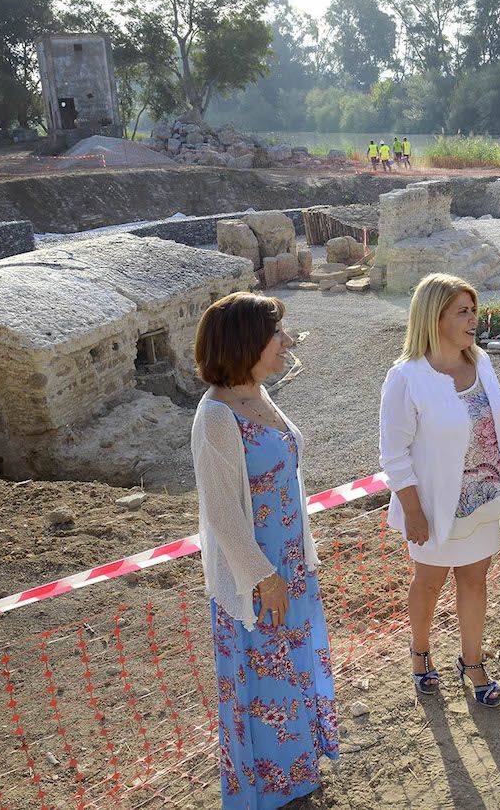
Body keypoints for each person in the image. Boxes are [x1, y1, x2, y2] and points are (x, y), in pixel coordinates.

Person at [191, 292, 339, 809]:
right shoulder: (216, 417)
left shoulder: (256, 395)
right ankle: (268, 790)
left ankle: (296, 775)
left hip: (291, 567)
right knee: (261, 681)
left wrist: (298, 563)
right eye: (278, 334)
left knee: (291, 670)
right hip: (257, 577)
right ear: (247, 343)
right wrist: (263, 576)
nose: (288, 342)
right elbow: (223, 514)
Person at [380, 273, 500, 708]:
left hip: (484, 500)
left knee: (475, 581)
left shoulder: (482, 362)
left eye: (473, 310)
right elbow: (394, 454)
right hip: (436, 507)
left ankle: (472, 663)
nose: (474, 319)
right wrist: (413, 512)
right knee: (429, 582)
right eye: (463, 311)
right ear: (434, 317)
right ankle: (420, 656)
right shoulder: (406, 378)